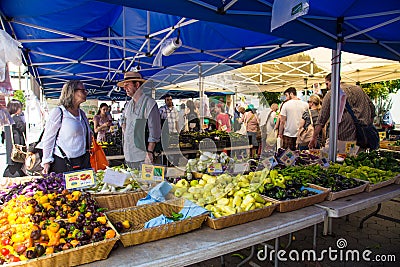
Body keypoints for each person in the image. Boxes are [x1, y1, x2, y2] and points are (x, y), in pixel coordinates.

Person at [309, 73, 376, 149]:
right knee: (358, 159)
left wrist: (314, 137)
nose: (327, 87)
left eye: (327, 84)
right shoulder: (358, 89)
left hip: (342, 138)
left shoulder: (332, 93)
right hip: (362, 138)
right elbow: (372, 108)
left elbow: (321, 119)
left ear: (332, 81)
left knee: (341, 159)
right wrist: (367, 124)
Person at [40, 80, 92, 174]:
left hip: (82, 161)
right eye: (82, 90)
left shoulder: (82, 114)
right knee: (65, 189)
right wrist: (46, 161)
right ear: (72, 92)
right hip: (63, 162)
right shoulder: (59, 112)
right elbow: (48, 138)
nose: (86, 92)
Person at [119, 71, 161, 169]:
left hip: (144, 156)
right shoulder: (128, 105)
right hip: (129, 154)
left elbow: (154, 131)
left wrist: (150, 152)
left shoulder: (150, 104)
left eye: (127, 85)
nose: (125, 88)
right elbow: (123, 121)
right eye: (124, 86)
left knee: (146, 183)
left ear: (137, 85)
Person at [3, 99, 26, 177]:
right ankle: (8, 176)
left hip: (10, 146)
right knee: (17, 164)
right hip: (17, 145)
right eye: (20, 108)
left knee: (13, 163)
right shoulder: (15, 118)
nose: (21, 110)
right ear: (15, 108)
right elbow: (22, 128)